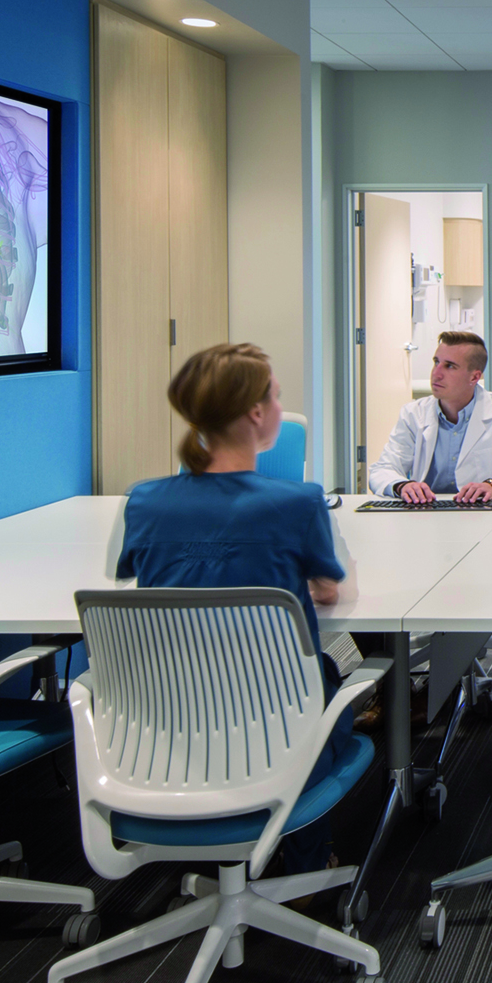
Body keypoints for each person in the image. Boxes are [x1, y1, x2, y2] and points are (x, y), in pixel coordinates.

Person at [111, 342, 355, 871]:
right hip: (276, 718)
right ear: (256, 413)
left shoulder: (144, 500)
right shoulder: (298, 501)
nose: (280, 405)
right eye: (277, 396)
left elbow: (130, 573)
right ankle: (308, 864)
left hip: (172, 716)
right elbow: (327, 592)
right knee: (330, 680)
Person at [367, 331, 492, 503]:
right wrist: (401, 486)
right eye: (436, 362)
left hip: (479, 509)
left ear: (474, 377)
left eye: (449, 366)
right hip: (425, 508)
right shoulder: (413, 413)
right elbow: (382, 469)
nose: (436, 373)